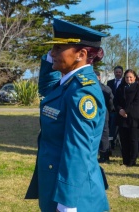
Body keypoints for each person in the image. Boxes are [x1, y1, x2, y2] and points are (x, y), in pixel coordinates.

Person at [25, 18, 109, 212]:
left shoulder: (82, 92)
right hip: (57, 185)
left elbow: (77, 150)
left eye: (58, 48)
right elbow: (48, 89)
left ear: (81, 54)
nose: (52, 52)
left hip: (74, 197)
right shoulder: (69, 83)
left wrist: (67, 204)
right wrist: (52, 59)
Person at [114, 69, 139, 167]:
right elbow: (116, 101)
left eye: (130, 77)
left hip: (134, 118)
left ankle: (132, 161)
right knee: (124, 140)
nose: (128, 79)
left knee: (133, 140)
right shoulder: (121, 88)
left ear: (135, 78)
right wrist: (120, 110)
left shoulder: (137, 87)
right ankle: (125, 160)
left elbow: (136, 102)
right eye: (127, 77)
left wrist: (126, 111)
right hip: (122, 118)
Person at [95, 70, 114, 163]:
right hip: (103, 113)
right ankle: (104, 155)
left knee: (102, 134)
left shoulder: (103, 88)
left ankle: (102, 155)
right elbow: (111, 102)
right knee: (104, 134)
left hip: (95, 113)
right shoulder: (106, 88)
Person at [106, 65, 124, 149]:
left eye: (119, 72)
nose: (118, 74)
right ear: (114, 73)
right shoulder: (109, 83)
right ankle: (111, 144)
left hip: (121, 109)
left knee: (121, 129)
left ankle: (121, 144)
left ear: (122, 73)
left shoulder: (125, 82)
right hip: (112, 110)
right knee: (111, 128)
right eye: (116, 72)